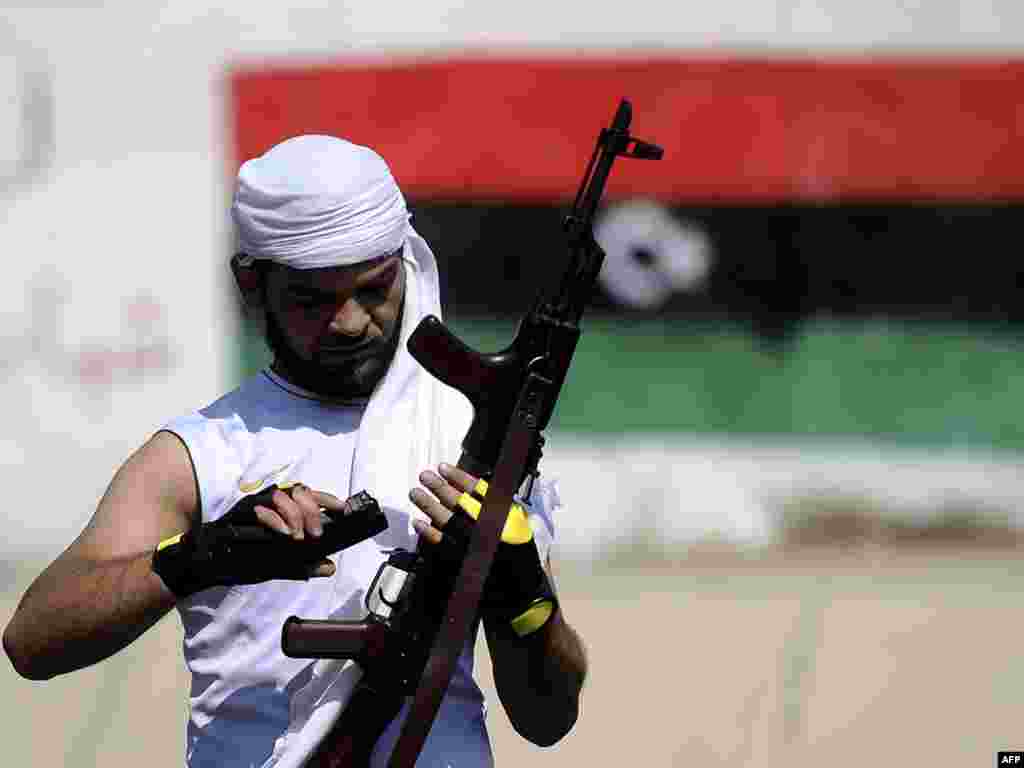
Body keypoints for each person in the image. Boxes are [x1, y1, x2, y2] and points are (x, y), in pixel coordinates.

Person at [3, 135, 588, 767]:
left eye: (373, 290)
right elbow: (33, 640)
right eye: (314, 299)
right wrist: (202, 558)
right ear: (252, 284)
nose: (350, 322)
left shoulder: (470, 443)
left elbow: (547, 718)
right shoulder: (202, 455)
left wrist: (524, 598)